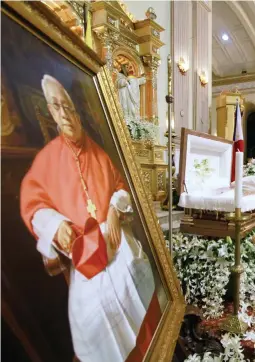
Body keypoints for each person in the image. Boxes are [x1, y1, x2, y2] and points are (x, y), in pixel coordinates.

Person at [20, 75, 160, 362]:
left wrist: (112, 209)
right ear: (50, 111)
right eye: (57, 107)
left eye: (68, 107)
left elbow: (121, 186)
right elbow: (32, 202)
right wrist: (56, 225)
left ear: (77, 111)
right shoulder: (47, 159)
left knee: (134, 271)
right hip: (82, 251)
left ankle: (153, 347)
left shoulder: (97, 151)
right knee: (92, 315)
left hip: (114, 237)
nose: (64, 114)